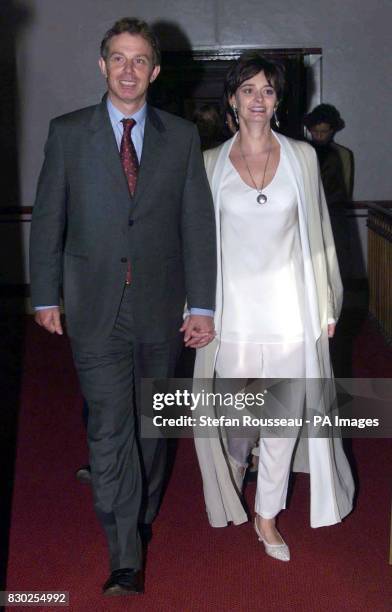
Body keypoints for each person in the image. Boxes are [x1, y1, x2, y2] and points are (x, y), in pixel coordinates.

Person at [30, 17, 216, 596]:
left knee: (154, 429)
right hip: (94, 311)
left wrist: (202, 305)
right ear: (102, 65)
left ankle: (141, 508)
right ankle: (124, 552)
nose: (128, 70)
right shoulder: (67, 133)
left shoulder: (182, 137)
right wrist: (45, 294)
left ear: (155, 71)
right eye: (118, 58)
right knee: (111, 431)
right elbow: (48, 222)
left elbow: (196, 227)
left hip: (162, 310)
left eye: (140, 60)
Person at [193, 52, 354, 562]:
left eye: (267, 90)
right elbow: (195, 244)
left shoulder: (302, 157)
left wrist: (327, 302)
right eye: (248, 90)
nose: (257, 99)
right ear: (233, 101)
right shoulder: (210, 163)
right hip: (231, 314)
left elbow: (322, 238)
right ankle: (233, 477)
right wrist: (191, 308)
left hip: (290, 312)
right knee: (233, 419)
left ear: (278, 100)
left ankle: (266, 516)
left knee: (283, 420)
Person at [304, 103, 354, 280]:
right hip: (309, 215)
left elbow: (345, 189)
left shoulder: (342, 155)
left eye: (323, 132)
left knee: (335, 267)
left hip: (334, 216)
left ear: (332, 131)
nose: (318, 136)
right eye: (315, 131)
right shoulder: (304, 152)